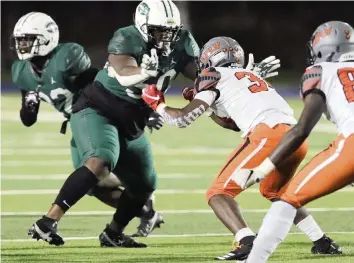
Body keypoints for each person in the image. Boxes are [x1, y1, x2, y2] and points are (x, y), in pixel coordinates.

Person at [141, 36, 342, 260]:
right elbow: (232, 123)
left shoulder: (212, 75)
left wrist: (157, 104)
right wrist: (207, 108)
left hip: (269, 134)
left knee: (218, 193)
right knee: (277, 192)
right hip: (295, 137)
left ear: (210, 57)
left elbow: (181, 119)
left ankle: (247, 242)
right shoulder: (251, 75)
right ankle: (322, 241)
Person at [27, 0, 200, 248]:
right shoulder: (126, 37)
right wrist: (142, 72)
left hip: (134, 120)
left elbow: (201, 74)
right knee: (100, 160)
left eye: (170, 31)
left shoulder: (182, 40)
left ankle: (114, 233)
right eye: (159, 30)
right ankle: (47, 222)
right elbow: (123, 72)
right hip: (99, 108)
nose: (165, 37)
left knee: (145, 185)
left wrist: (233, 75)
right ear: (142, 26)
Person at [10, 11, 164, 246]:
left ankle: (50, 222)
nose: (22, 44)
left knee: (105, 170)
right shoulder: (22, 71)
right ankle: (144, 213)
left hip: (99, 114)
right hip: (77, 122)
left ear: (46, 38)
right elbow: (28, 119)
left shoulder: (67, 55)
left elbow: (101, 83)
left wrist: (144, 108)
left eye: (28, 39)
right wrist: (29, 103)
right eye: (19, 40)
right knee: (94, 184)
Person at [233, 20, 354, 263]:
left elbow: (301, 130)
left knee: (287, 199)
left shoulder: (320, 71)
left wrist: (262, 169)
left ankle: (254, 260)